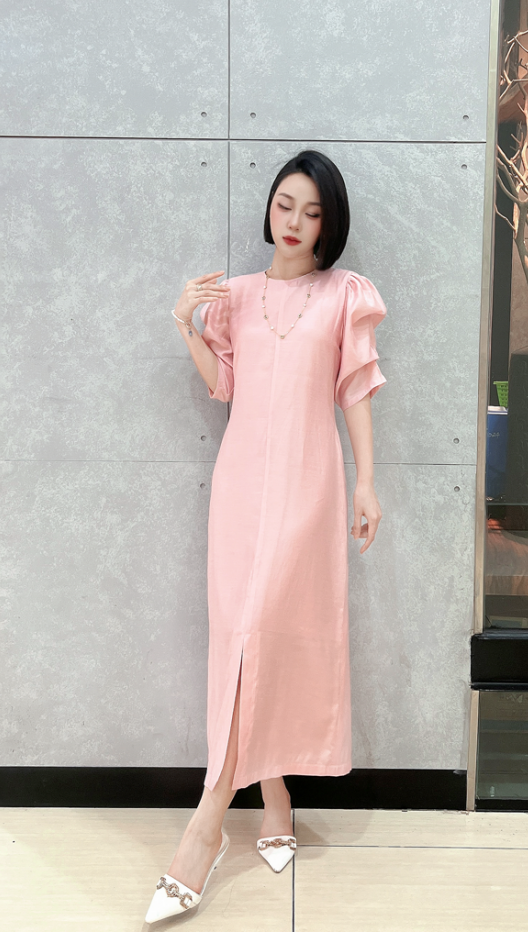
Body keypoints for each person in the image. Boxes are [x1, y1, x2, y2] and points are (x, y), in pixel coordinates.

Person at [145, 149, 387, 923]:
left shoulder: (345, 294)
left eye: (313, 212)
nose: (295, 223)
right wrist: (184, 323)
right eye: (286, 204)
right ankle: (273, 794)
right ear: (270, 206)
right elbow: (226, 384)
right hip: (240, 488)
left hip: (310, 491)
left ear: (329, 224)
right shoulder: (238, 297)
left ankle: (207, 822)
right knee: (239, 638)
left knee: (272, 634)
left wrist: (366, 480)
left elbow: (355, 389)